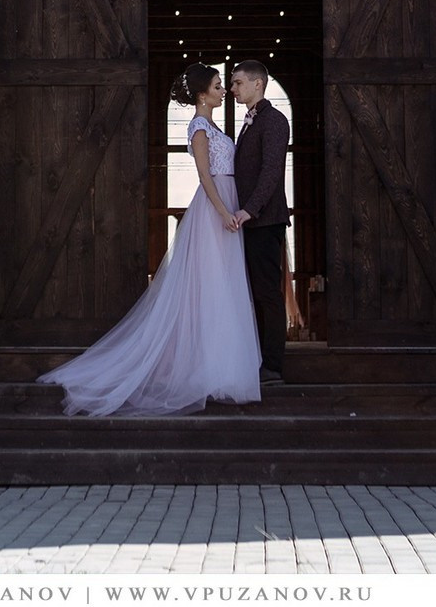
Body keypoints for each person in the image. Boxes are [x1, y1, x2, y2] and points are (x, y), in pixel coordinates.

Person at [36, 63, 262, 416]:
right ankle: (207, 370)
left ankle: (222, 369)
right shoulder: (199, 127)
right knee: (212, 286)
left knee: (225, 286)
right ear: (202, 94)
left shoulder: (215, 126)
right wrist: (223, 213)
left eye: (224, 85)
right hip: (215, 211)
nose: (224, 91)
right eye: (219, 86)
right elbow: (205, 177)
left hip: (228, 207)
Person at [229, 59, 290, 384]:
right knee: (255, 292)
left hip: (265, 221)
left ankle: (273, 366)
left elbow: (271, 172)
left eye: (238, 83)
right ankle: (258, 360)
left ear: (257, 84)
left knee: (267, 293)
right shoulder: (252, 121)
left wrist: (249, 210)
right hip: (252, 222)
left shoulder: (275, 121)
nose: (233, 89)